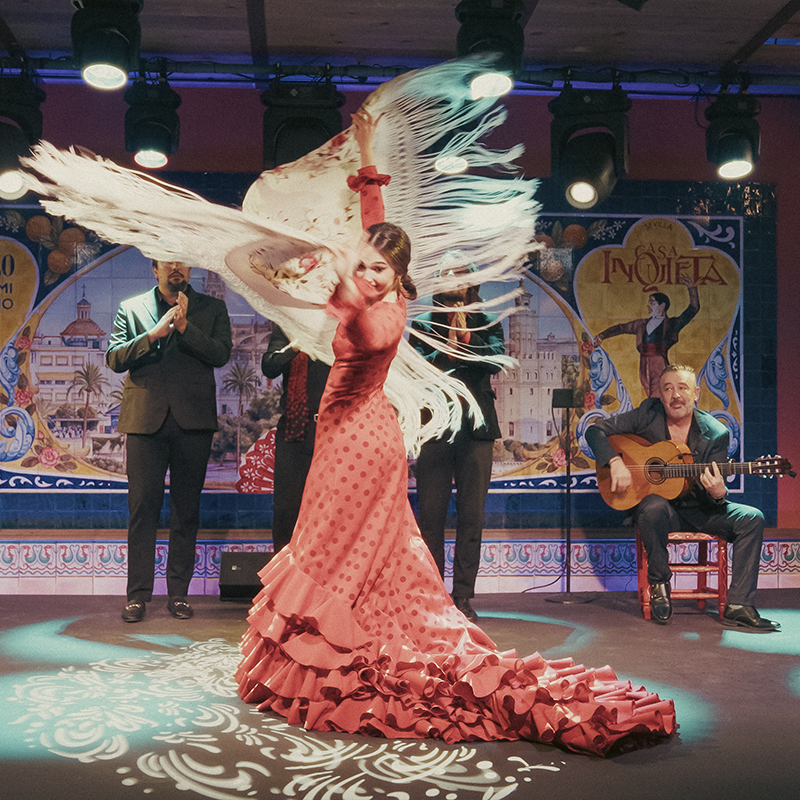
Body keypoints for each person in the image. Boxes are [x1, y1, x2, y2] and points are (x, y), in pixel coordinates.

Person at [235, 108, 675, 757]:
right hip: (348, 436)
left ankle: (337, 653)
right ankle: (324, 640)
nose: (370, 273)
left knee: (339, 553)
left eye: (381, 270)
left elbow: (346, 282)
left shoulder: (375, 315)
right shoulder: (380, 288)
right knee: (333, 545)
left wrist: (306, 267)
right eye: (368, 266)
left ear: (397, 280)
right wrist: (364, 156)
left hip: (359, 445)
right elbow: (371, 234)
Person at [585, 364, 778, 631]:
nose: (675, 395)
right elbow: (595, 431)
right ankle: (660, 586)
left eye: (682, 388)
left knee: (752, 518)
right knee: (653, 506)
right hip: (659, 514)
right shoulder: (647, 414)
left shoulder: (716, 433)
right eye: (668, 388)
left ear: (696, 393)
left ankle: (739, 606)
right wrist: (615, 462)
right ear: (660, 396)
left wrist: (719, 493)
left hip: (702, 510)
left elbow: (715, 497)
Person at [107, 260, 232, 623]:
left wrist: (185, 328)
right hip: (145, 419)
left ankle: (178, 594)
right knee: (142, 509)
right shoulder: (131, 308)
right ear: (154, 269)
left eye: (181, 262)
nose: (175, 268)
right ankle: (137, 597)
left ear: (189, 270)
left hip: (193, 420)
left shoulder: (212, 308)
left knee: (185, 511)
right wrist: (152, 337)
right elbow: (114, 358)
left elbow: (221, 354)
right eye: (167, 262)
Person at [409, 285, 504, 623]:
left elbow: (494, 361)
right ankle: (433, 596)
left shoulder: (487, 321)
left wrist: (467, 337)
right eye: (446, 276)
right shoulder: (422, 323)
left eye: (460, 276)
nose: (453, 283)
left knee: (471, 517)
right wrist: (447, 347)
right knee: (431, 518)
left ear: (473, 284)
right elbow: (415, 366)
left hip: (477, 430)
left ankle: (463, 595)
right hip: (435, 425)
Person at [261, 325, 330, 552]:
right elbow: (269, 366)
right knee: (286, 511)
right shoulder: (287, 322)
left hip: (335, 430)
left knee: (330, 511)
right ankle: (284, 581)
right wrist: (296, 345)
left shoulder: (342, 323)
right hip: (295, 427)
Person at [593, 275, 699, 398]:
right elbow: (621, 328)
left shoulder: (672, 324)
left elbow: (693, 309)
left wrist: (692, 289)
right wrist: (602, 335)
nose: (648, 306)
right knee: (649, 392)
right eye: (649, 303)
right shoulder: (641, 324)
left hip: (659, 362)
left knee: (658, 393)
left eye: (652, 303)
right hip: (643, 362)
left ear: (662, 306)